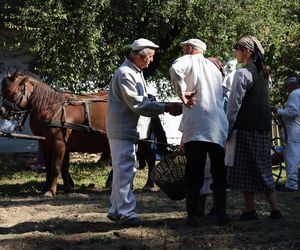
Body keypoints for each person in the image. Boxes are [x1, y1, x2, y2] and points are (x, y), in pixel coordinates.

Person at [106, 38, 182, 227]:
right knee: (125, 171)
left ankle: (116, 209)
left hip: (125, 129)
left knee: (122, 171)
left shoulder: (133, 72)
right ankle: (127, 213)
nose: (151, 61)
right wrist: (166, 107)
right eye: (150, 57)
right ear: (140, 56)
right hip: (122, 129)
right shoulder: (126, 73)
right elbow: (138, 104)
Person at [169, 38, 231, 226]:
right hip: (217, 127)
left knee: (194, 172)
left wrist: (181, 93)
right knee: (219, 172)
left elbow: (174, 69)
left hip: (197, 128)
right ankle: (220, 212)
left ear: (189, 49)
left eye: (184, 49)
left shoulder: (189, 60)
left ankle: (194, 214)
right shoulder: (215, 69)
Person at [226, 35, 283, 220]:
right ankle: (252, 210)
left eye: (238, 48)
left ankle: (273, 211)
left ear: (247, 51)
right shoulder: (265, 73)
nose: (236, 52)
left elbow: (234, 105)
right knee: (256, 168)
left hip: (246, 128)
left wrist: (226, 129)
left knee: (253, 169)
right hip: (263, 128)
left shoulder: (243, 73)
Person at [272, 76, 300, 191]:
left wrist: (278, 111)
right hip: (296, 130)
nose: (286, 89)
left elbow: (293, 112)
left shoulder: (294, 94)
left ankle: (291, 185)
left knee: (291, 158)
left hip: (294, 131)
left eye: (286, 87)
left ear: (291, 85)